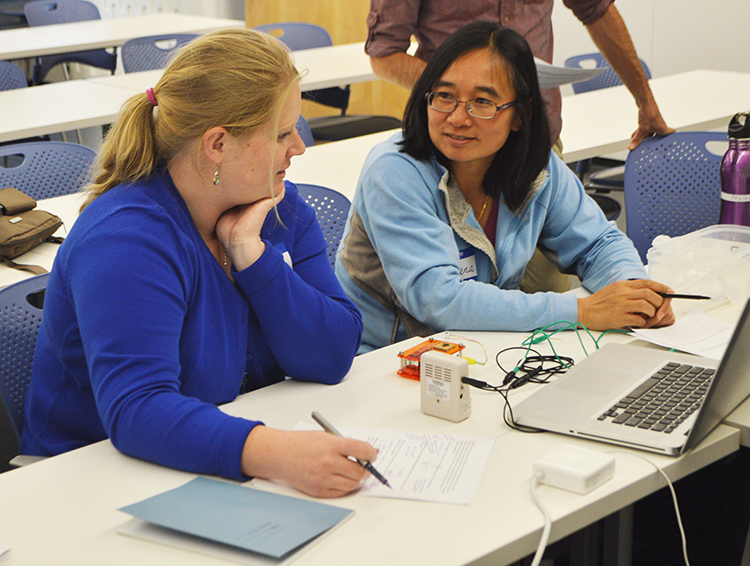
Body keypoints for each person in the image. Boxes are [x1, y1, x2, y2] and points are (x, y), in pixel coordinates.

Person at [21, 29, 378, 498]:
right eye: (282, 133)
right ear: (217, 145)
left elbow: (333, 354)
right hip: (93, 485)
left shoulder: (277, 207)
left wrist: (252, 257)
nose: (299, 148)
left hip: (209, 459)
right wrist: (277, 453)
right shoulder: (127, 238)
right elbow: (139, 409)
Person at [335, 21, 675, 353]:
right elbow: (438, 299)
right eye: (444, 96)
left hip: (478, 350)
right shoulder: (394, 171)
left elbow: (597, 243)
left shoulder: (534, 164)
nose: (457, 117)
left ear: (520, 114)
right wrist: (581, 312)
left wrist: (633, 292)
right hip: (383, 362)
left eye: (482, 102)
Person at [365, 0, 674, 149]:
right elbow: (384, 56)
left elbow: (597, 11)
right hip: (456, 141)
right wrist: (467, 90)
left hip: (535, 139)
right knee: (459, 273)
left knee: (549, 277)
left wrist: (645, 102)